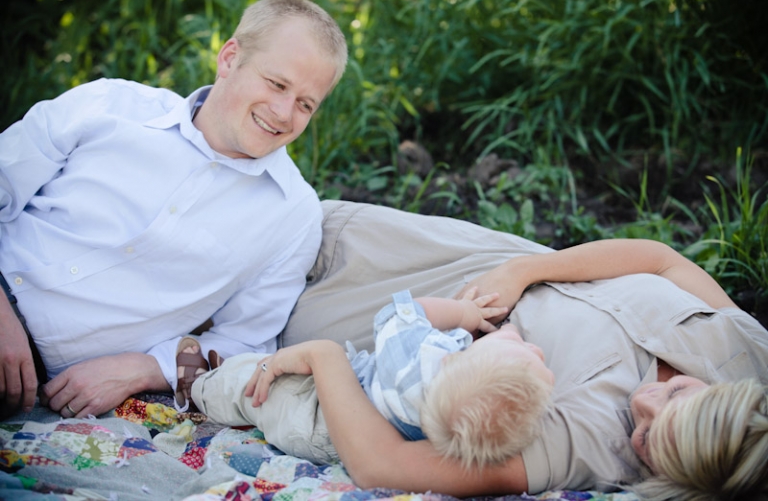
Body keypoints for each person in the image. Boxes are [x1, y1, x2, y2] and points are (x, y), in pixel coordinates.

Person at [265, 200, 768, 500]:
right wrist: (525, 270)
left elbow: (384, 465)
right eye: (677, 392)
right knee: (308, 223)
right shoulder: (750, 351)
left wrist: (327, 358)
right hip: (491, 260)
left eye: (648, 438)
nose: (644, 404)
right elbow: (660, 262)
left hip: (418, 342)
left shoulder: (592, 446)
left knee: (272, 308)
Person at [0, 0, 348, 420]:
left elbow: (247, 341)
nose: (283, 112)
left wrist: (145, 368)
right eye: (276, 84)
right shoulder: (110, 105)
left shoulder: (293, 217)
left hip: (36, 382)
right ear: (230, 57)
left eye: (305, 104)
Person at [186, 288, 554, 469]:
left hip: (314, 411)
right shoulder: (462, 423)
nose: (535, 351)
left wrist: (465, 312)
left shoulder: (418, 359)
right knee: (258, 377)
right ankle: (226, 372)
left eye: (520, 351)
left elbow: (399, 313)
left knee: (251, 392)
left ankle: (198, 386)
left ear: (454, 360)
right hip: (339, 440)